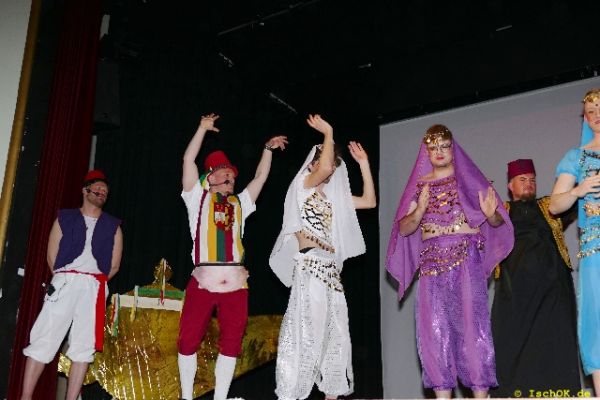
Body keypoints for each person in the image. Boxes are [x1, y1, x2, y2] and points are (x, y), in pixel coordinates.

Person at [386, 124, 513, 398]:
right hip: (431, 264)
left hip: (466, 258)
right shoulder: (420, 186)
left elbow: (495, 221)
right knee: (434, 329)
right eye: (434, 148)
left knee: (472, 325)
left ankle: (480, 394)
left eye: (444, 146)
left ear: (452, 148)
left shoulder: (469, 179)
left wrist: (490, 214)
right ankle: (442, 394)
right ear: (427, 152)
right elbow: (404, 229)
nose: (439, 152)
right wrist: (419, 210)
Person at [178, 113, 287, 400]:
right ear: (210, 176)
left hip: (236, 282)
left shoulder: (241, 203)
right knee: (188, 339)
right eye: (224, 172)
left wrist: (267, 150)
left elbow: (260, 177)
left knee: (231, 343)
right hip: (204, 278)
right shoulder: (196, 198)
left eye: (233, 174)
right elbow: (188, 160)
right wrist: (201, 129)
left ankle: (221, 398)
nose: (231, 176)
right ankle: (186, 397)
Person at [269, 114, 376, 400]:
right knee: (307, 333)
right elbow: (326, 164)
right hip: (310, 267)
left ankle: (332, 394)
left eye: (333, 167)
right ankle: (291, 394)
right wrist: (328, 132)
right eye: (325, 163)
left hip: (331, 274)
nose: (330, 170)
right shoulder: (302, 186)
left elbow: (369, 201)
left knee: (337, 337)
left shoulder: (333, 200)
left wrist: (364, 163)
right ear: (312, 164)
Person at [20, 170, 123, 400]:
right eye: (98, 189)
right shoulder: (64, 218)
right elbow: (51, 256)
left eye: (105, 191)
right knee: (44, 338)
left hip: (94, 287)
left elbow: (114, 265)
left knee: (83, 347)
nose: (102, 193)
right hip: (65, 281)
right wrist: (64, 279)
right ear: (85, 190)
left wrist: (93, 282)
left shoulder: (113, 226)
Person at [490, 159, 580, 397]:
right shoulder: (501, 211)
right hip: (514, 297)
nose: (528, 184)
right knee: (511, 347)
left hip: (554, 295)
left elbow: (576, 199)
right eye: (522, 180)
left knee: (556, 343)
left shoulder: (551, 206)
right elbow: (486, 226)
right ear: (510, 185)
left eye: (532, 180)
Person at [550, 88, 600, 396]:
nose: (596, 115)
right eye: (590, 111)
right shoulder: (577, 157)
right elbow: (555, 205)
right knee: (597, 321)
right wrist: (578, 191)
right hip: (596, 251)